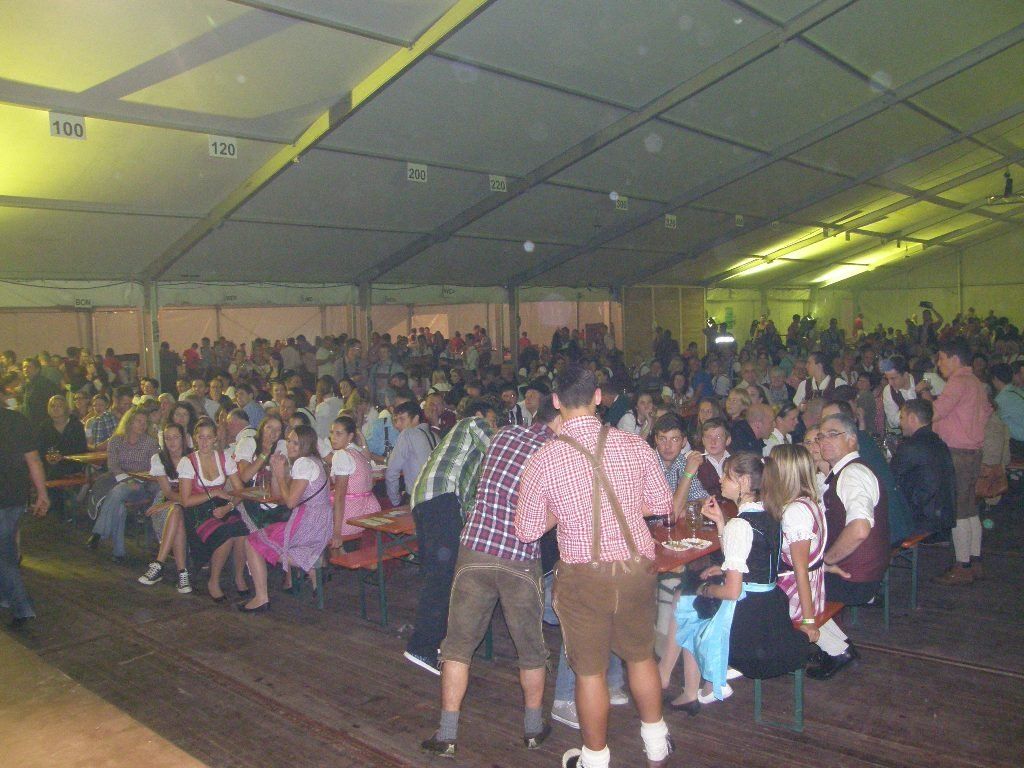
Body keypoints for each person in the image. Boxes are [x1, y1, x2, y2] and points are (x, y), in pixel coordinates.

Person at [515, 364, 674, 768]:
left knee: (589, 673)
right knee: (641, 657)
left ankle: (595, 758)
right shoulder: (634, 444)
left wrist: (564, 511)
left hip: (583, 577)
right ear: (598, 397)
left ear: (556, 401)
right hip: (635, 569)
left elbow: (527, 530)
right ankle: (656, 744)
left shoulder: (544, 458)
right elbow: (661, 504)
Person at [421, 396, 562, 758]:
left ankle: (446, 734)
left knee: (457, 647)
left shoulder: (503, 435)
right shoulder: (558, 454)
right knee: (531, 650)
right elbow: (547, 518)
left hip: (476, 550)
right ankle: (533, 729)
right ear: (560, 420)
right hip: (519, 559)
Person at [671, 453, 808, 713]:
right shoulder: (770, 513)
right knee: (695, 594)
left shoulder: (740, 524)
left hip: (749, 624)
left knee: (689, 600)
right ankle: (704, 683)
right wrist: (720, 523)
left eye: (727, 476)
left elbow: (732, 591)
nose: (720, 480)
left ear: (744, 482)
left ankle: (711, 678)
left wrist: (706, 590)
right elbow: (748, 556)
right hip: (772, 607)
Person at [404, 400, 494, 674]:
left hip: (427, 499)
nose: (495, 428)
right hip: (441, 497)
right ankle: (422, 646)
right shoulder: (473, 423)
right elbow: (499, 451)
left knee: (440, 573)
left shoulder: (463, 451)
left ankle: (434, 643)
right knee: (442, 576)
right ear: (480, 415)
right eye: (493, 421)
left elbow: (471, 496)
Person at [811, 411, 890, 679]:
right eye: (821, 436)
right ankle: (836, 645)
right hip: (863, 570)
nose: (824, 441)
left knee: (786, 587)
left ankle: (835, 649)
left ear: (852, 439)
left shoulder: (852, 474)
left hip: (856, 577)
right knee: (798, 576)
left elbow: (859, 529)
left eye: (833, 435)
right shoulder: (844, 473)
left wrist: (827, 560)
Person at [763, 445, 851, 663]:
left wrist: (809, 620)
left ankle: (835, 651)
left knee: (750, 600)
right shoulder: (806, 502)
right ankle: (842, 646)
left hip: (797, 589)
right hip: (810, 583)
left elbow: (800, 569)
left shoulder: (795, 512)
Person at [918, 339, 991, 585]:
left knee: (958, 511)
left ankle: (963, 566)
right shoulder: (976, 383)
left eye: (941, 358)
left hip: (958, 453)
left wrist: (924, 394)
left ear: (954, 358)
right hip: (973, 451)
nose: (939, 363)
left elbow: (934, 413)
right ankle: (974, 560)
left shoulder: (958, 382)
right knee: (969, 509)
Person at [241, 424, 333, 612]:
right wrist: (278, 473)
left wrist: (281, 476)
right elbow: (279, 495)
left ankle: (261, 597)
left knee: (252, 542)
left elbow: (290, 502)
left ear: (305, 444)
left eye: (296, 443)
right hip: (319, 522)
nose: (290, 446)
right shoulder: (314, 461)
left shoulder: (303, 464)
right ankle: (314, 566)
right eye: (289, 441)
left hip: (309, 523)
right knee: (268, 538)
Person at [177, 418, 249, 602]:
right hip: (198, 511)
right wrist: (213, 492)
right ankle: (214, 581)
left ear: (215, 439)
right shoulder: (188, 462)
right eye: (201, 437)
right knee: (225, 534)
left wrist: (229, 507)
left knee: (242, 532)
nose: (204, 442)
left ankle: (239, 576)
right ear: (194, 438)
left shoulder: (224, 458)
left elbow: (240, 491)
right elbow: (186, 500)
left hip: (221, 507)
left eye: (208, 437)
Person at [87, 406, 159, 562]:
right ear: (129, 422)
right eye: (138, 421)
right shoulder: (116, 440)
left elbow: (154, 468)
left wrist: (136, 479)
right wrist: (127, 480)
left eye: (145, 422)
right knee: (119, 506)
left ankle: (98, 532)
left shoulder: (151, 443)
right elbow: (113, 465)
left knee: (119, 491)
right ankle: (118, 552)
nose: (142, 425)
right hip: (117, 480)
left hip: (141, 485)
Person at [0, 405, 50, 627]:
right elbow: (34, 460)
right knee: (7, 550)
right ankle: (6, 596)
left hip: (8, 498)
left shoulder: (17, 420)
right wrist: (42, 493)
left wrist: (42, 494)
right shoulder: (17, 419)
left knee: (4, 554)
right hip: (16, 496)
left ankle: (22, 607)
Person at [137, 423, 192, 594]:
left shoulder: (192, 457)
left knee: (176, 511)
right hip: (169, 499)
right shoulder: (159, 459)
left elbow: (193, 491)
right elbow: (167, 491)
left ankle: (159, 563)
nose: (172, 442)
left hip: (190, 501)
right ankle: (182, 573)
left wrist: (172, 503)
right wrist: (170, 503)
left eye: (176, 437)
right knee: (176, 513)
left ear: (183, 439)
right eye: (168, 438)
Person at [890, 400, 956, 537]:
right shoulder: (940, 443)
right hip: (943, 517)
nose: (900, 423)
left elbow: (891, 477)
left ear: (912, 418)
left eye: (902, 417)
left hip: (923, 520)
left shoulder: (912, 446)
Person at [328, 415, 381, 546]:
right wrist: (362, 438)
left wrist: (337, 532)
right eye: (332, 433)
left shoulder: (342, 455)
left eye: (339, 434)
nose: (333, 437)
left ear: (350, 436)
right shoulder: (357, 452)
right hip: (369, 509)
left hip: (351, 513)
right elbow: (368, 459)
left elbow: (340, 496)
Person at [37, 395, 87, 515]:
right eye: (52, 406)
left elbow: (81, 448)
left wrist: (63, 456)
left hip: (72, 462)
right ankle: (55, 506)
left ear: (66, 408)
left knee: (53, 473)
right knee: (46, 470)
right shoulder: (44, 426)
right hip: (49, 463)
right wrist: (47, 457)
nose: (55, 408)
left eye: (59, 406)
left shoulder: (76, 425)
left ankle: (56, 507)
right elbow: (39, 448)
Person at [385, 401, 438, 508]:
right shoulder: (435, 436)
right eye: (395, 420)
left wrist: (395, 501)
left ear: (415, 418)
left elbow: (391, 472)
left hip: (417, 500)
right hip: (438, 497)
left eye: (402, 419)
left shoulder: (407, 434)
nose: (397, 425)